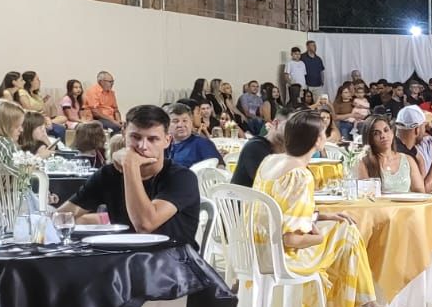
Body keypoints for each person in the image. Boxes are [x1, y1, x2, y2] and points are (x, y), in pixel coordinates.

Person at [253, 109, 402, 307]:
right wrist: (319, 238)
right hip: (282, 257)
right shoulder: (300, 175)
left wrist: (323, 216)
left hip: (257, 249)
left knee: (342, 228)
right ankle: (361, 306)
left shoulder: (270, 162)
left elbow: (279, 213)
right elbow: (291, 239)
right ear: (317, 140)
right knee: (347, 235)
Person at [59, 104, 200, 244]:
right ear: (124, 134)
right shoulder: (108, 174)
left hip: (173, 255)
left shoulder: (182, 177)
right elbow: (62, 216)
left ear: (167, 141)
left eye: (152, 139)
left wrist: (130, 165)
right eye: (135, 137)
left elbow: (145, 225)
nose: (143, 146)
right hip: (122, 255)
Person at [356, 116, 424, 194]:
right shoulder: (364, 163)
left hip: (407, 202)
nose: (383, 136)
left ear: (392, 133)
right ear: (370, 139)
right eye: (376, 133)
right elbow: (365, 195)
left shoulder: (408, 160)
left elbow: (420, 193)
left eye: (386, 130)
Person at [394, 105, 432, 191]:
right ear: (417, 130)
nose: (425, 131)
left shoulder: (407, 148)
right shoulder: (402, 154)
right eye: (424, 127)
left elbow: (422, 180)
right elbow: (423, 191)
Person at [230, 110, 286, 187]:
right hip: (242, 194)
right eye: (289, 127)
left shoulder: (280, 149)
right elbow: (267, 185)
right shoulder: (255, 146)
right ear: (276, 124)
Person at [164, 102, 223, 167]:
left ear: (191, 121)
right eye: (175, 121)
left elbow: (220, 168)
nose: (181, 125)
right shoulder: (164, 145)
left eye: (185, 121)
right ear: (167, 125)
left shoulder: (203, 144)